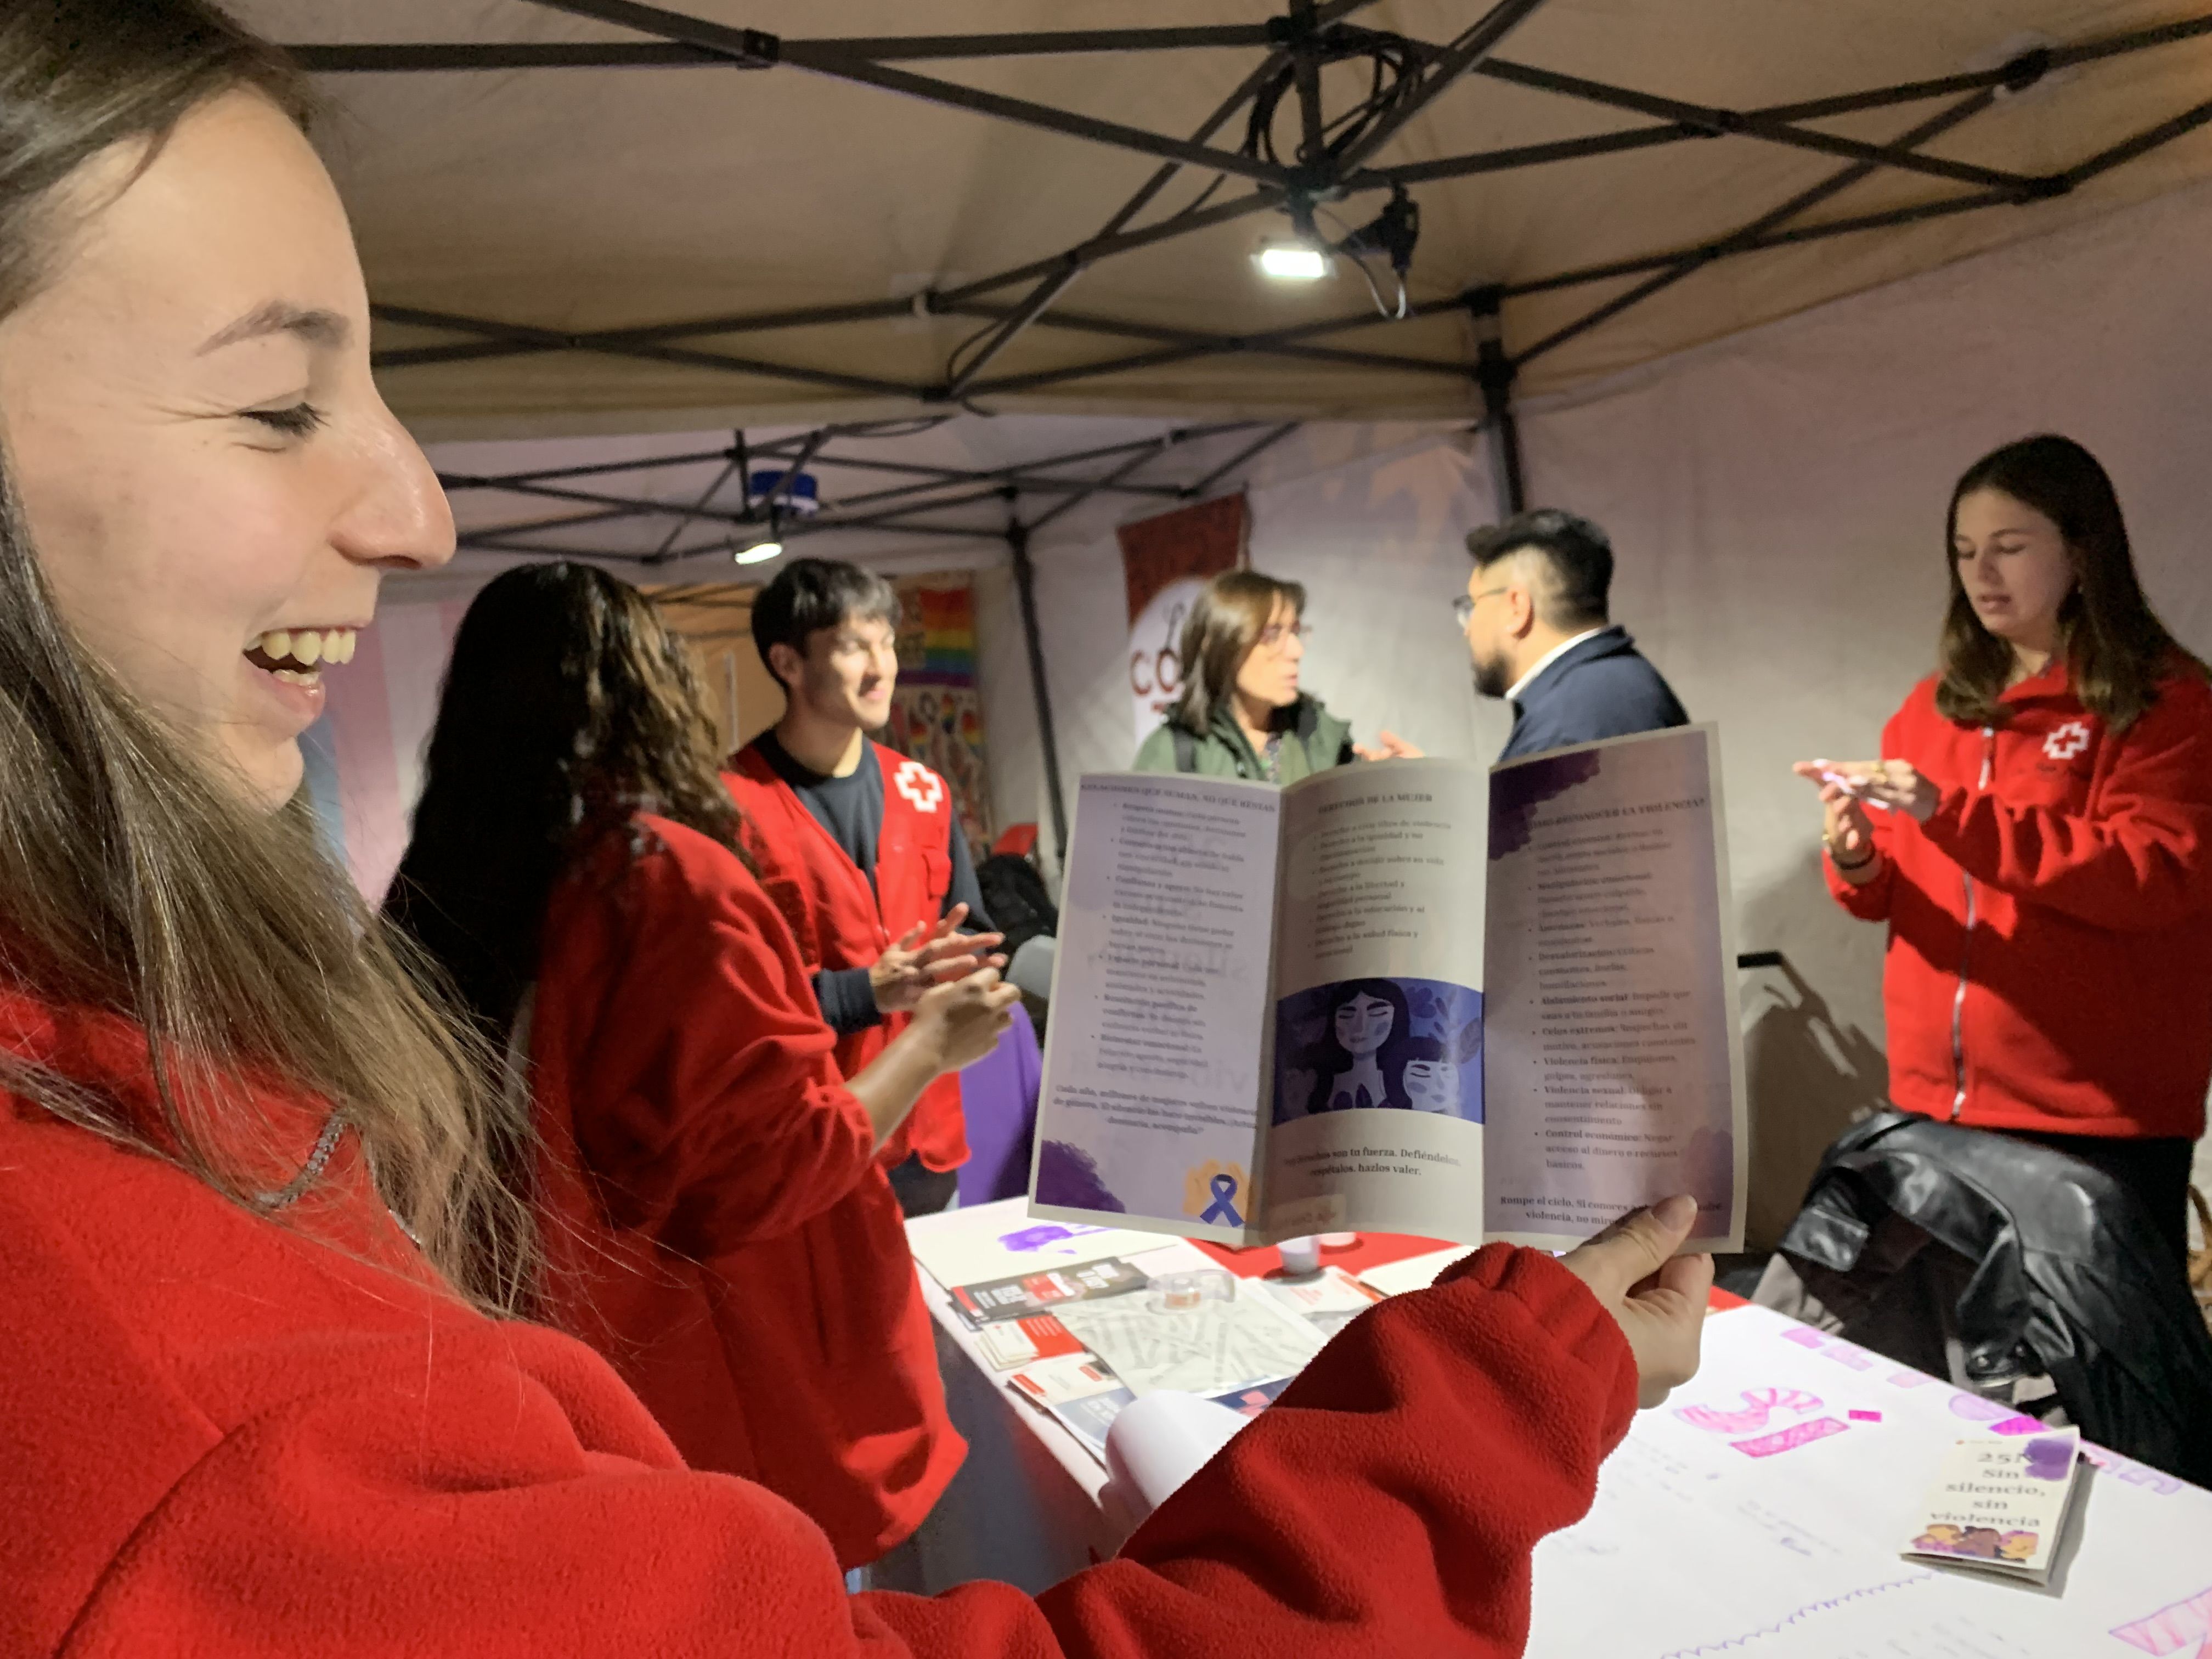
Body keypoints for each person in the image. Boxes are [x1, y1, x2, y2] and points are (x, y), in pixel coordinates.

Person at [0, 4, 1712, 1648]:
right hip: (787, 1313)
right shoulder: (682, 861)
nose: (414, 512)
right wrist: (905, 1024)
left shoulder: (854, 809)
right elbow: (748, 1148)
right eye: (276, 404)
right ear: (767, 666)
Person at [386, 563, 1017, 1568]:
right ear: (654, 684)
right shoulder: (666, 871)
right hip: (716, 1346)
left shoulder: (458, 880)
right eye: (853, 640)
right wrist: (934, 1039)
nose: (878, 661)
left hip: (567, 1338)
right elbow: (772, 1165)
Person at [1793, 435, 2212, 1271]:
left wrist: (1951, 813)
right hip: (1939, 1109)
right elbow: (1895, 896)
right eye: (1965, 552)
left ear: (2084, 551)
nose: (1983, 573)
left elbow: (2153, 877)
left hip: (2095, 1117)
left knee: (2109, 1385)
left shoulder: (2162, 703)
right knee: (1962, 1383)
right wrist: (1859, 861)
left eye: (2011, 548)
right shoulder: (1933, 708)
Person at [729, 557, 1003, 1217]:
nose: (881, 668)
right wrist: (866, 991)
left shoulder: (924, 791)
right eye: (855, 647)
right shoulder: (729, 807)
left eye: (887, 643)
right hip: (812, 1136)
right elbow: (733, 1006)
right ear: (788, 664)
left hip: (927, 1136)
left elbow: (973, 928)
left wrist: (966, 963)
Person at [1135, 568, 1419, 781]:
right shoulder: (1174, 752)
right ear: (1222, 646)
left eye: (1295, 632)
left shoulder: (1319, 737)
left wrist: (1389, 787)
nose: (1296, 651)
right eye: (1272, 635)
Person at [1461, 509, 1689, 762]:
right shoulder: (1623, 683)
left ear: (1517, 607)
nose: (1468, 629)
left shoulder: (1561, 732)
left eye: (1472, 605)